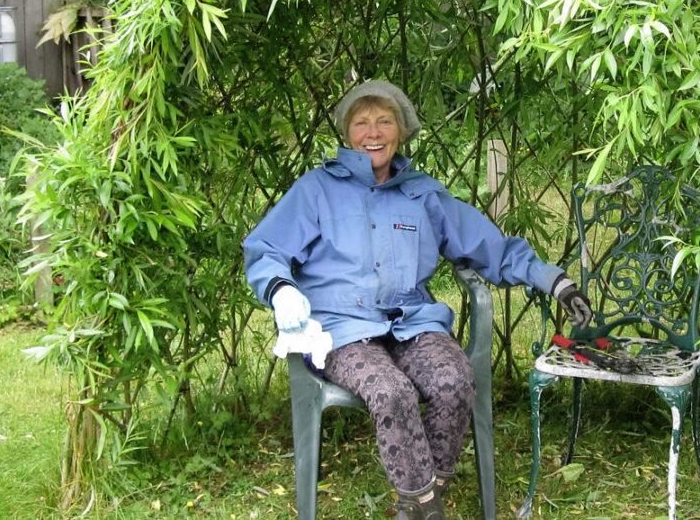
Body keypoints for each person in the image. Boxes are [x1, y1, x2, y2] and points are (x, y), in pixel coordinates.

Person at [243, 79, 592, 520]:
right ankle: (428, 508)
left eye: (384, 121)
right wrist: (281, 290)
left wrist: (555, 281)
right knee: (390, 390)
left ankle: (417, 500)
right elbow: (266, 249)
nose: (373, 132)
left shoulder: (422, 193)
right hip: (343, 330)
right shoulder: (317, 189)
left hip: (412, 322)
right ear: (347, 133)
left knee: (454, 381)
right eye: (362, 122)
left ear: (401, 130)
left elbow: (488, 246)